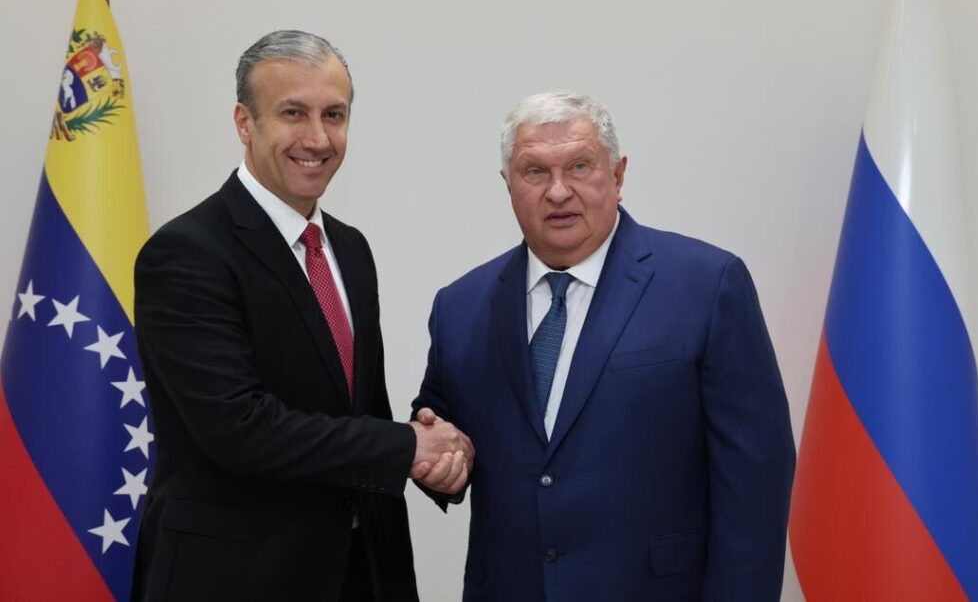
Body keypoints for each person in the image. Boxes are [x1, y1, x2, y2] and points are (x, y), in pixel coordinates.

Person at [412, 90, 796, 601]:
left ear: (617, 175)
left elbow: (756, 483)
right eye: (534, 172)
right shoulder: (460, 306)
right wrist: (438, 462)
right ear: (508, 185)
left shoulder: (707, 285)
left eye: (579, 166)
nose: (557, 192)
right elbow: (441, 428)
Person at [131, 30, 471, 602]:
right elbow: (239, 429)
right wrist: (405, 447)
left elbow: (359, 409)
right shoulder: (186, 252)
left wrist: (435, 463)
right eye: (294, 113)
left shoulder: (350, 249)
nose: (318, 137)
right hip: (236, 579)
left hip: (364, 572)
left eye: (334, 115)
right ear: (245, 122)